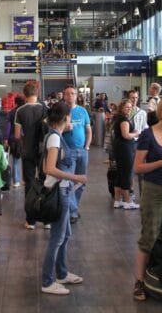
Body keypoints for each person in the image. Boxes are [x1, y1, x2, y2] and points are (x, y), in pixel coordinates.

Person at [132, 96, 162, 301]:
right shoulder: (147, 135)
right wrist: (160, 163)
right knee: (149, 235)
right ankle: (140, 281)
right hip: (153, 189)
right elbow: (138, 167)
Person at [41, 102, 87, 295]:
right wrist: (75, 177)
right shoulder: (54, 138)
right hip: (59, 193)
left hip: (64, 190)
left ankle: (61, 272)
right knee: (57, 237)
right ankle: (48, 281)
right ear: (64, 118)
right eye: (70, 117)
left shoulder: (55, 137)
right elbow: (49, 168)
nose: (72, 122)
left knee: (65, 234)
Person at [14, 83, 48, 230]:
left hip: (27, 151)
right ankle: (47, 220)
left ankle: (30, 220)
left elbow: (16, 134)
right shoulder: (45, 109)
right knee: (45, 182)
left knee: (29, 184)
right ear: (37, 93)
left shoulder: (20, 111)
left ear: (24, 94)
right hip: (43, 151)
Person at [62, 85, 92, 224]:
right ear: (64, 95)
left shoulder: (82, 111)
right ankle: (72, 211)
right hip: (68, 151)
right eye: (67, 94)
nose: (70, 96)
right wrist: (65, 129)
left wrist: (87, 146)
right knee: (68, 182)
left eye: (72, 93)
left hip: (82, 151)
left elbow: (88, 130)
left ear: (76, 96)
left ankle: (73, 207)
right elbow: (53, 129)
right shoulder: (61, 111)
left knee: (80, 181)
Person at [112, 99, 140, 209]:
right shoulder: (123, 119)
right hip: (125, 148)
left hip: (120, 148)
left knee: (120, 174)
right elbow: (126, 135)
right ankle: (128, 201)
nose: (129, 109)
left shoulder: (118, 118)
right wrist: (136, 133)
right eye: (126, 107)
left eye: (130, 107)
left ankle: (117, 200)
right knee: (127, 174)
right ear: (122, 108)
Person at [4, 96, 25, 188]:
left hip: (13, 139)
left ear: (15, 103)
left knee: (15, 160)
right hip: (24, 138)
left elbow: (8, 127)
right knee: (25, 160)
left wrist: (6, 138)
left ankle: (16, 181)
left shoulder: (11, 113)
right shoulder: (25, 111)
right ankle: (25, 179)